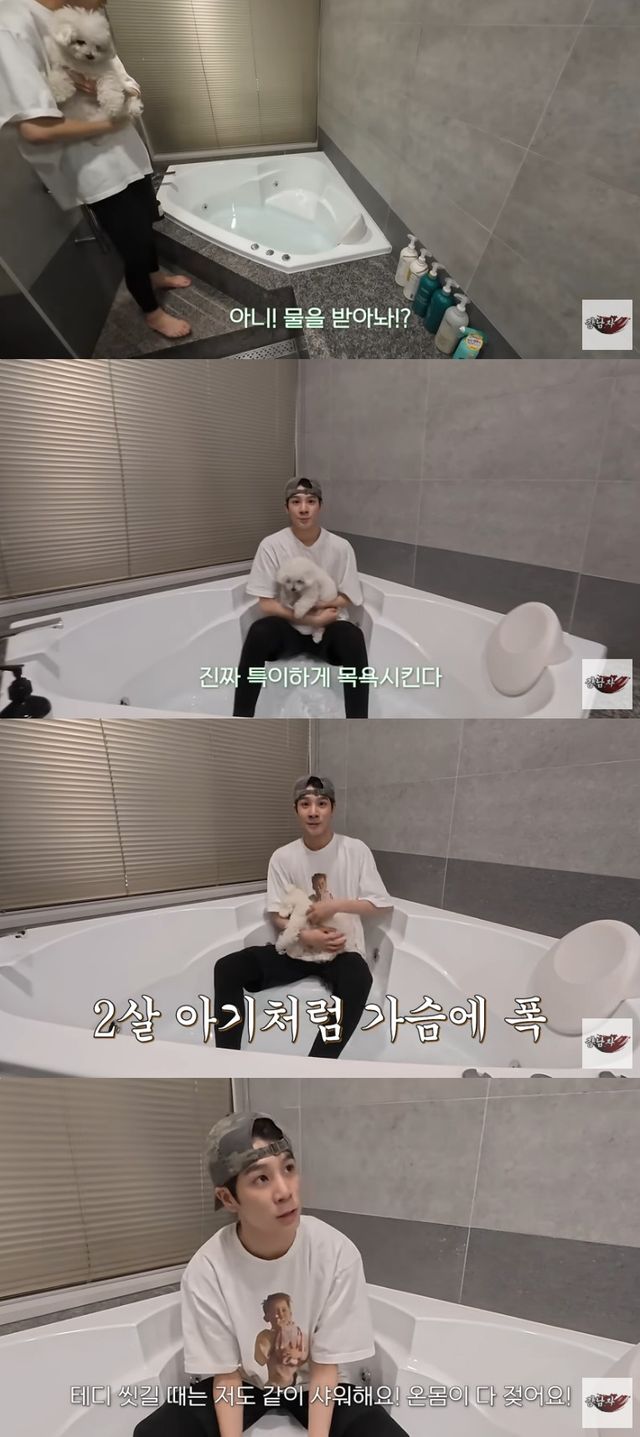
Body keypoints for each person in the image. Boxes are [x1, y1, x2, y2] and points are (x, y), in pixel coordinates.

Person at [133, 1111, 408, 1436]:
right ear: (228, 1198)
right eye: (261, 1179)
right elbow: (227, 1378)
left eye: (288, 1168)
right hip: (245, 1384)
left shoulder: (335, 1252)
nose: (284, 1191)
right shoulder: (208, 1269)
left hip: (314, 1386)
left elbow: (325, 1369)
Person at [0, 0, 192, 340]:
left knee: (146, 223)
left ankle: (153, 275)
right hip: (96, 170)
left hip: (129, 154)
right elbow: (35, 130)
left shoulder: (87, 19)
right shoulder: (12, 25)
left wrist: (121, 89)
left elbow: (125, 78)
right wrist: (111, 122)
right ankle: (151, 312)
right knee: (132, 246)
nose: (105, 2)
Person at [213, 775, 393, 1059]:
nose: (313, 812)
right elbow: (277, 914)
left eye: (321, 803)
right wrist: (304, 935)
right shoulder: (282, 857)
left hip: (341, 949)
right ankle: (227, 1060)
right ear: (295, 809)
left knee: (359, 979)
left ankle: (318, 1063)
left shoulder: (355, 850)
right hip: (298, 948)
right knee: (227, 968)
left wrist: (334, 907)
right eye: (305, 804)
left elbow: (380, 904)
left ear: (332, 808)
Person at [233, 478, 370, 719]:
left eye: (311, 501)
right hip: (289, 629)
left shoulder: (341, 547)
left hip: (328, 629)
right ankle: (241, 718)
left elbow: (347, 597)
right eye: (296, 502)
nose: (304, 509)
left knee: (353, 637)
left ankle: (358, 721)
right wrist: (310, 620)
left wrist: (320, 609)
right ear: (286, 507)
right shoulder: (271, 545)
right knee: (259, 632)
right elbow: (266, 603)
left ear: (320, 506)